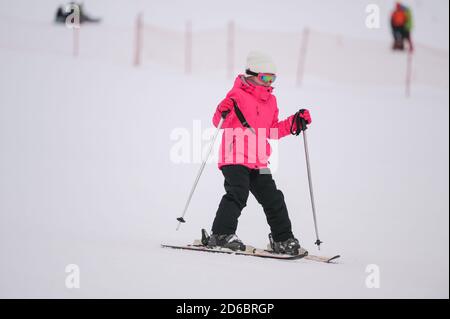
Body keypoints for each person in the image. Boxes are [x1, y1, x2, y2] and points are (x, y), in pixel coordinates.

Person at [207, 51, 311, 256]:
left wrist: (293, 123)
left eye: (272, 78)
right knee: (238, 192)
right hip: (234, 157)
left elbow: (272, 130)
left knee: (273, 198)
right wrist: (222, 109)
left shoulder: (271, 101)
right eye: (265, 77)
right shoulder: (237, 95)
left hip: (259, 161)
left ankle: (282, 239)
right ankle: (220, 234)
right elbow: (218, 121)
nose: (268, 83)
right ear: (251, 75)